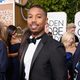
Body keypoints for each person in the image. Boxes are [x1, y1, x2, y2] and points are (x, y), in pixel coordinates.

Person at [19, 5, 67, 80]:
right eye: (30, 17)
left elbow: (60, 77)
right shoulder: (25, 43)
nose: (33, 20)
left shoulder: (55, 47)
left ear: (46, 20)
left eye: (38, 17)